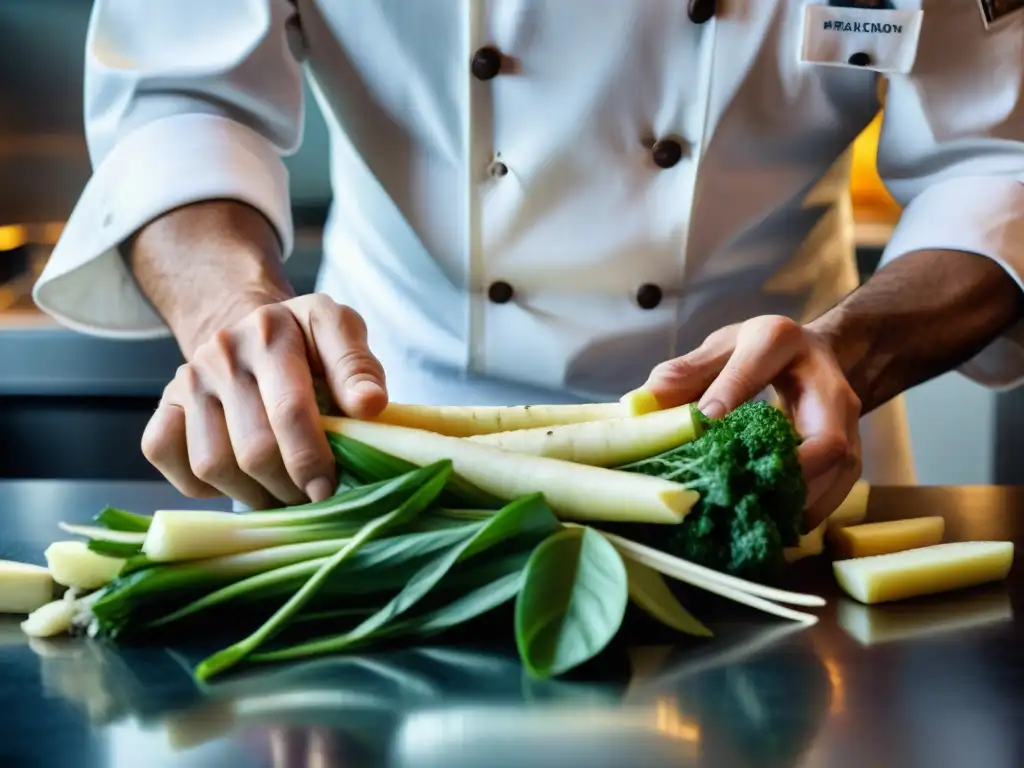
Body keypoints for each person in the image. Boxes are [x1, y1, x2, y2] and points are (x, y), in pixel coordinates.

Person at [32, 1, 1024, 526]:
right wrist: (231, 311)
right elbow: (182, 97)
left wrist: (847, 351)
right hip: (387, 446)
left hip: (773, 452)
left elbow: (998, 156)